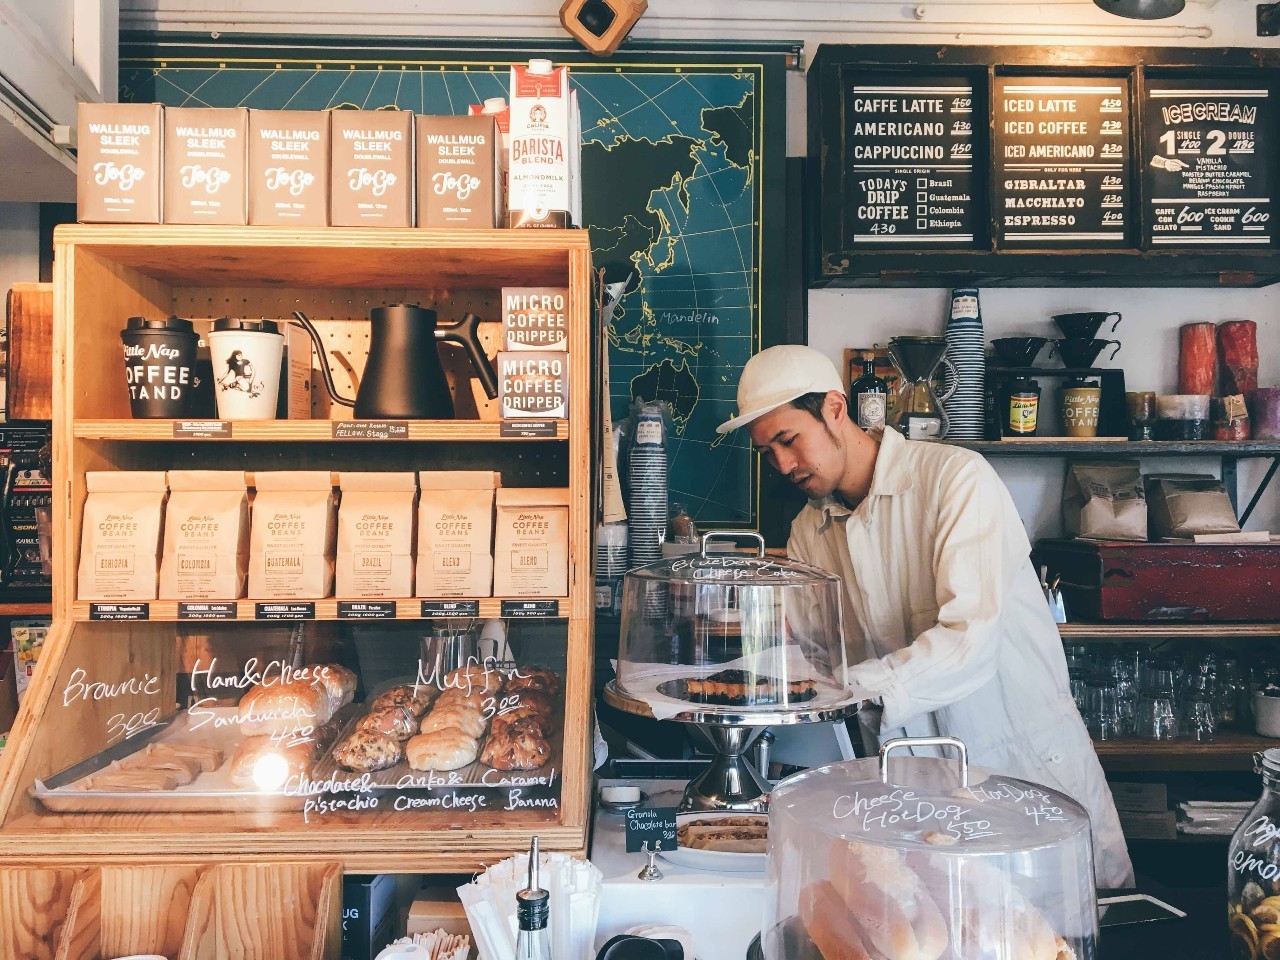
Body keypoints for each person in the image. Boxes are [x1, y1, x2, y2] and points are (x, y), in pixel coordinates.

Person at [717, 344, 1134, 888]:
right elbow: (816, 657)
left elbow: (969, 640)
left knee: (1046, 933)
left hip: (1015, 766)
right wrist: (736, 680)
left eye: (789, 440)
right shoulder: (807, 532)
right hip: (907, 788)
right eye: (768, 452)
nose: (783, 466)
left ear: (836, 409)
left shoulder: (954, 480)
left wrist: (850, 687)